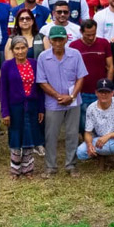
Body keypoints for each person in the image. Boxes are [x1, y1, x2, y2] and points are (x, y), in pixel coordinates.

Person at [37, 26, 89, 178]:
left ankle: (71, 165)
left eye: (61, 39)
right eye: (55, 39)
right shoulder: (43, 57)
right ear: (50, 40)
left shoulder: (75, 54)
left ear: (66, 39)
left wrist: (71, 96)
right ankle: (50, 167)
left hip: (73, 102)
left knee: (72, 134)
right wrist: (58, 96)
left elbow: (81, 77)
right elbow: (41, 81)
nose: (58, 43)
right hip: (53, 103)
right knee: (51, 135)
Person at [0, 36, 46, 178]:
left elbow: (40, 88)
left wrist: (41, 109)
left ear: (27, 48)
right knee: (15, 136)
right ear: (12, 50)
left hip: (31, 106)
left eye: (23, 48)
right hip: (15, 107)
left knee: (29, 136)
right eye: (17, 48)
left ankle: (28, 169)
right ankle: (15, 169)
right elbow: (3, 91)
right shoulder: (7, 66)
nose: (20, 51)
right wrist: (5, 112)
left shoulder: (34, 63)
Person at [75, 78, 114, 176]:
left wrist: (109, 136)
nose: (104, 94)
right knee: (81, 152)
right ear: (96, 92)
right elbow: (87, 132)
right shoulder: (91, 108)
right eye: (101, 92)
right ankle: (101, 158)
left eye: (107, 92)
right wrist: (89, 144)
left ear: (112, 93)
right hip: (100, 141)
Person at [71, 19, 114, 132]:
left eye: (93, 34)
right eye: (87, 35)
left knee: (103, 119)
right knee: (84, 122)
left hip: (101, 90)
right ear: (81, 31)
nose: (91, 37)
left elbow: (110, 67)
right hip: (83, 91)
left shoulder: (104, 43)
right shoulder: (74, 46)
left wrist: (108, 87)